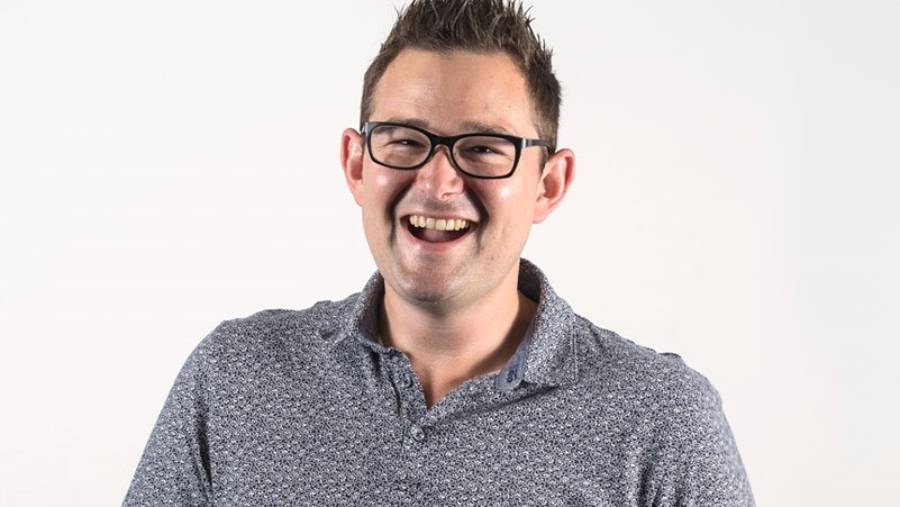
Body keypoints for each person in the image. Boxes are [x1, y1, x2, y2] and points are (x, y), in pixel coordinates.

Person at [123, 0, 755, 505]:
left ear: (548, 184)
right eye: (403, 141)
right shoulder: (233, 379)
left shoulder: (664, 421)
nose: (436, 182)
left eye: (483, 148)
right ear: (355, 163)